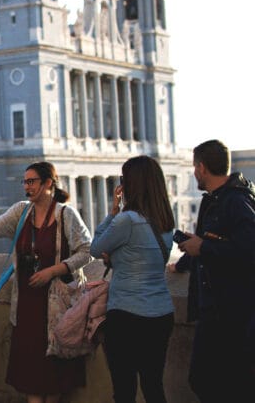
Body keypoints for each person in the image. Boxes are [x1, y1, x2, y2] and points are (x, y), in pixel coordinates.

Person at [0, 161, 92, 403]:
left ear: (48, 183)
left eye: (32, 181)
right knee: (30, 374)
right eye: (25, 181)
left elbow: (86, 251)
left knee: (53, 376)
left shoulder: (66, 214)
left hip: (55, 306)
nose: (26, 186)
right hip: (26, 305)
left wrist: (52, 271)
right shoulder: (21, 211)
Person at [90, 156, 175, 403]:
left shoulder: (126, 220)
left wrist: (112, 212)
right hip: (161, 314)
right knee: (153, 386)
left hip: (127, 314)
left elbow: (96, 248)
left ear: (130, 185)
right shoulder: (166, 222)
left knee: (125, 390)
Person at [176, 140, 255, 402]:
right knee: (206, 381)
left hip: (230, 315)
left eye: (194, 167)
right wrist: (189, 255)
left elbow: (248, 249)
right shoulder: (218, 200)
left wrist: (205, 248)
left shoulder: (235, 201)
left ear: (201, 168)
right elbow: (215, 242)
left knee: (216, 383)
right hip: (217, 311)